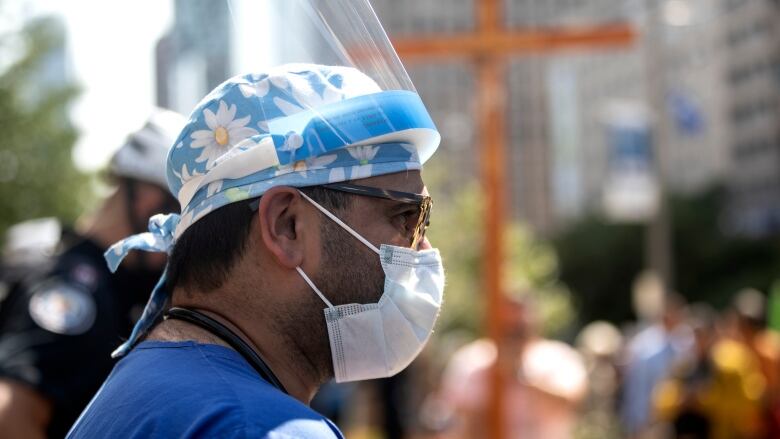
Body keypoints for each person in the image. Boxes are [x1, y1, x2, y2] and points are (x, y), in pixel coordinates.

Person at [66, 63, 443, 438]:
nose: (422, 245)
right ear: (286, 226)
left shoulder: (143, 387)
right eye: (406, 215)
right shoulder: (264, 428)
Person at [0, 108, 185, 438]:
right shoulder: (78, 291)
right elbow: (10, 413)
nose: (177, 235)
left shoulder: (107, 280)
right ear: (146, 197)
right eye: (177, 214)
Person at [439, 295, 587, 439]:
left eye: (519, 330)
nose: (513, 338)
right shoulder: (471, 361)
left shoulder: (558, 357)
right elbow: (460, 421)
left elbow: (571, 401)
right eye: (506, 330)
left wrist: (519, 376)